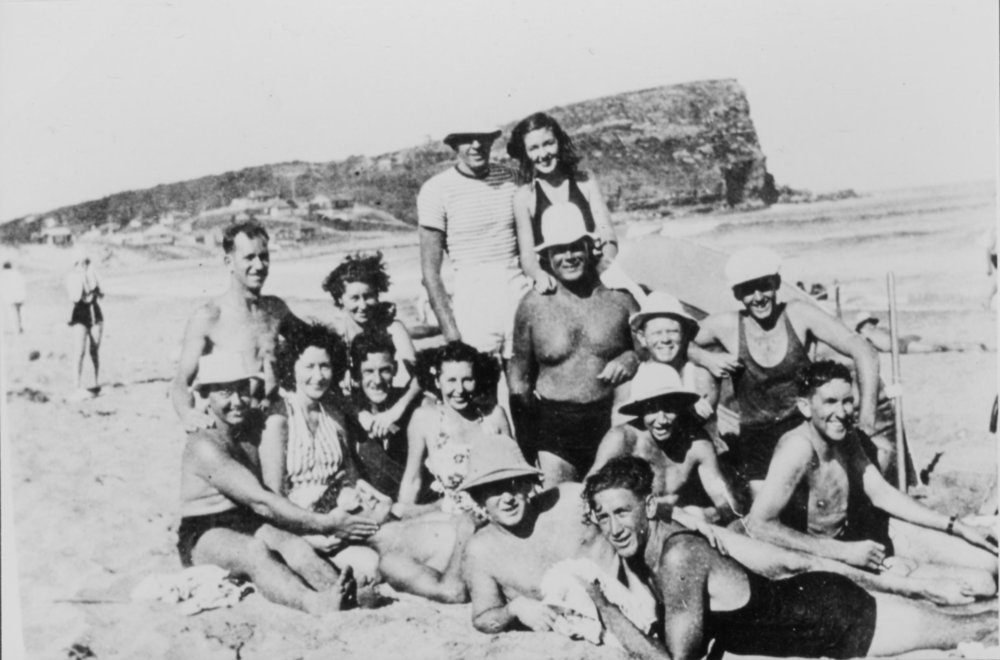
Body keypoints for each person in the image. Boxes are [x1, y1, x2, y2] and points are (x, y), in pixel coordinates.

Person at [581, 456, 1000, 660]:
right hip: (808, 606)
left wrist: (605, 610)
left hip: (831, 620)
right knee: (973, 621)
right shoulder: (647, 550)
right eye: (604, 516)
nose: (614, 527)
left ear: (649, 507)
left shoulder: (678, 556)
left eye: (623, 512)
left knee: (974, 629)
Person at [746, 360, 997, 596]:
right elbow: (759, 524)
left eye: (847, 401)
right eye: (830, 402)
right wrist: (844, 552)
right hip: (822, 559)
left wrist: (957, 526)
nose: (842, 412)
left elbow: (883, 494)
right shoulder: (798, 448)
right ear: (805, 407)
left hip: (859, 545)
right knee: (981, 584)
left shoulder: (847, 438)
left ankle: (904, 570)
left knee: (990, 563)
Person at [178, 351, 380, 614]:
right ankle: (313, 602)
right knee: (254, 551)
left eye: (241, 390)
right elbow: (261, 501)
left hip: (246, 519)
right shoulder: (204, 444)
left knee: (294, 546)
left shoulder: (249, 427)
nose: (237, 401)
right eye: (225, 393)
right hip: (205, 530)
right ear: (205, 396)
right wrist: (325, 523)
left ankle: (340, 590)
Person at [694, 246, 880, 493]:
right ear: (738, 294)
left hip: (805, 430)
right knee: (765, 516)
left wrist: (867, 415)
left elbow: (863, 348)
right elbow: (674, 337)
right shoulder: (727, 325)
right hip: (757, 440)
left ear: (777, 283)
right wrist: (705, 357)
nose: (759, 297)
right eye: (749, 290)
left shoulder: (798, 314)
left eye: (765, 286)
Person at [508, 203, 639, 485]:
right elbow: (518, 380)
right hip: (555, 427)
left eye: (575, 247)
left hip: (610, 421)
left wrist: (631, 357)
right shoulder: (532, 306)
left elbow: (651, 350)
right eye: (559, 250)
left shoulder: (620, 300)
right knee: (561, 508)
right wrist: (526, 446)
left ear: (589, 248)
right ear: (547, 257)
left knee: (610, 499)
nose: (569, 257)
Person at [460, 433, 622, 634]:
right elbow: (483, 618)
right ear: (478, 498)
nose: (508, 498)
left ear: (528, 483)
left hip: (631, 605)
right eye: (495, 490)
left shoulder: (570, 501)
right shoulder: (481, 550)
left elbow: (629, 517)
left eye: (514, 484)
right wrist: (514, 609)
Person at [172, 221, 303, 431]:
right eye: (249, 257)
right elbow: (180, 383)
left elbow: (316, 342)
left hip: (271, 422)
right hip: (233, 427)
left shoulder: (276, 310)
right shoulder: (209, 317)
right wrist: (188, 414)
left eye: (264, 257)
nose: (259, 266)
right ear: (229, 262)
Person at [417, 128, 532, 358]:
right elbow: (430, 273)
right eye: (467, 139)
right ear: (454, 144)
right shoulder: (435, 190)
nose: (477, 145)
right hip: (473, 302)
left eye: (484, 138)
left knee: (524, 386)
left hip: (518, 294)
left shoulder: (514, 179)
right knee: (479, 387)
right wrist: (451, 333)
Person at [588, 362, 744, 524]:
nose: (662, 420)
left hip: (678, 526)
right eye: (652, 409)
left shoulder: (697, 443)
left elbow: (727, 503)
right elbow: (588, 489)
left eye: (669, 408)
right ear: (640, 411)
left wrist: (710, 515)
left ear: (680, 407)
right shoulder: (623, 439)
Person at [507, 112, 618, 292]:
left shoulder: (586, 181)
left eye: (548, 144)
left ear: (560, 142)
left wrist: (604, 267)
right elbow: (527, 256)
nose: (543, 154)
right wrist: (538, 275)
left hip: (595, 272)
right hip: (554, 277)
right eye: (534, 148)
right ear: (525, 153)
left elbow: (608, 236)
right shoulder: (524, 196)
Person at [398, 342, 511, 512]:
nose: (459, 389)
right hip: (451, 519)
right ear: (437, 381)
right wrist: (403, 521)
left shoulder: (494, 416)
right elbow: (412, 480)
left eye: (467, 380)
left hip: (496, 515)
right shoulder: (424, 419)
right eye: (451, 380)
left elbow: (515, 473)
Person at [321, 252, 422, 428]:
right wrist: (359, 413)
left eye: (368, 296)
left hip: (390, 409)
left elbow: (419, 376)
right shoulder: (335, 334)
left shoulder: (392, 328)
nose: (363, 305)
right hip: (351, 412)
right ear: (340, 299)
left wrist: (396, 411)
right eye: (354, 298)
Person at [629, 291, 717, 423]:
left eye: (672, 332)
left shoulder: (699, 375)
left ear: (684, 334)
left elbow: (697, 424)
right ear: (642, 338)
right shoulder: (636, 376)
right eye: (656, 333)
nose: (665, 339)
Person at [347, 333, 416, 498]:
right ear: (356, 374)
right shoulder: (348, 408)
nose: (377, 380)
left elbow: (426, 374)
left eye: (385, 370)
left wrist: (396, 411)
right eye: (369, 371)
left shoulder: (406, 404)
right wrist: (358, 413)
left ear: (396, 369)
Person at [65, 247, 104, 400]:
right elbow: (75, 297)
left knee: (94, 350)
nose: (83, 265)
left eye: (86, 262)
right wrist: (82, 277)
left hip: (95, 312)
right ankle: (76, 384)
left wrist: (91, 279)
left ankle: (95, 381)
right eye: (80, 262)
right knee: (79, 351)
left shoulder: (93, 273)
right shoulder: (72, 277)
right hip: (80, 313)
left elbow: (100, 293)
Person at [853, 312, 987, 353]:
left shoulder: (867, 335)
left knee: (937, 347)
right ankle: (970, 346)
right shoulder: (875, 332)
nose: (871, 325)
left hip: (904, 344)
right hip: (904, 342)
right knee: (938, 346)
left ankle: (969, 346)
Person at [1, 261, 26, 334]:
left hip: (9, 298)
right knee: (19, 312)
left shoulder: (2, 274)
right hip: (19, 296)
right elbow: (22, 285)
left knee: (10, 313)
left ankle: (12, 328)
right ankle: (20, 327)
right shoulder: (17, 274)